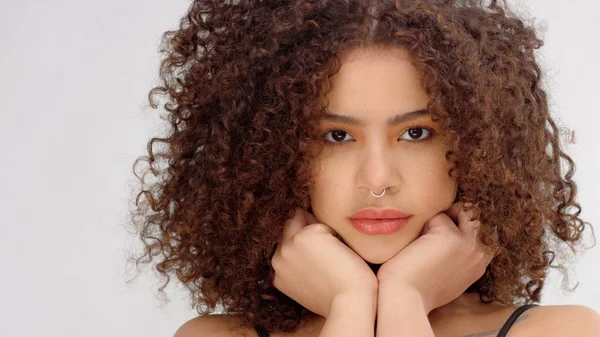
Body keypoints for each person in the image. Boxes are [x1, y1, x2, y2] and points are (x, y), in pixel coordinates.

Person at [127, 0, 600, 336]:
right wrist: (350, 305)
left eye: (416, 133)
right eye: (337, 136)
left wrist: (405, 299)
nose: (377, 180)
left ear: (480, 146)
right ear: (271, 154)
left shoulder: (562, 331)